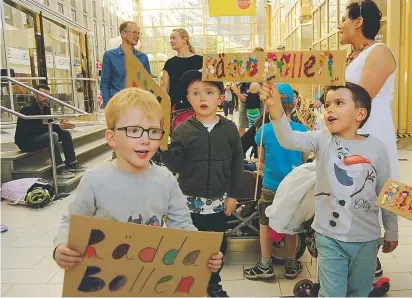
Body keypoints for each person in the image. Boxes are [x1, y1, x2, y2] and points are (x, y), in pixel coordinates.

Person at [53, 88, 224, 278]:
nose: (145, 140)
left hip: (148, 278)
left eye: (153, 131)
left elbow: (182, 226)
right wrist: (61, 246)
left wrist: (204, 252)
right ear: (111, 138)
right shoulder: (94, 180)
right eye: (134, 130)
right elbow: (72, 222)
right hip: (105, 280)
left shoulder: (165, 179)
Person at [260, 82, 399, 297]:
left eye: (339, 103)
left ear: (360, 113)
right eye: (327, 104)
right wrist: (276, 109)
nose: (329, 109)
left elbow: (385, 191)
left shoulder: (377, 148)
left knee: (359, 291)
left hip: (367, 238)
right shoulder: (322, 140)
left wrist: (392, 230)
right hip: (329, 236)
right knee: (331, 293)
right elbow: (289, 139)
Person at [160, 70, 243, 297]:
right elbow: (176, 166)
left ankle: (213, 283)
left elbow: (237, 163)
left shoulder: (229, 129)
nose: (202, 98)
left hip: (219, 202)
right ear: (188, 98)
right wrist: (164, 148)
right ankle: (189, 283)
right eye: (195, 93)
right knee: (189, 245)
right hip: (188, 203)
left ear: (220, 97)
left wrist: (234, 195)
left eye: (209, 92)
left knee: (217, 247)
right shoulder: (183, 129)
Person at [339, 0, 399, 275]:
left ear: (358, 22)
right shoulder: (352, 55)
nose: (339, 25)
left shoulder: (380, 51)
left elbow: (361, 99)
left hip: (371, 130)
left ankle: (370, 259)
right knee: (350, 193)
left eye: (343, 19)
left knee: (371, 190)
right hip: (352, 130)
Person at [244, 84, 309, 281]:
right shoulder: (301, 129)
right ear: (294, 104)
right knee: (291, 225)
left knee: (265, 223)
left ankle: (265, 264)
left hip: (271, 186)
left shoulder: (264, 130)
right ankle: (290, 264)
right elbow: (305, 159)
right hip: (293, 188)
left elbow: (261, 160)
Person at [14, 84, 84, 179]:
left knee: (65, 133)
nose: (46, 98)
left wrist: (59, 125)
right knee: (53, 135)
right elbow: (35, 129)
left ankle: (71, 163)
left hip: (37, 136)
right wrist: (58, 126)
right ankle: (59, 169)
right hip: (26, 141)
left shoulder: (45, 107)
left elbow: (49, 124)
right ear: (35, 95)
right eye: (43, 95)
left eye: (47, 96)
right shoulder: (28, 108)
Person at [100, 21, 150, 108]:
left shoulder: (143, 57)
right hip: (117, 105)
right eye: (134, 32)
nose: (137, 35)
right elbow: (105, 82)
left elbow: (148, 84)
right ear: (123, 34)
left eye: (138, 33)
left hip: (137, 105)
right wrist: (107, 104)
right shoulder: (109, 56)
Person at [162, 28, 203, 111]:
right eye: (170, 38)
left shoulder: (201, 60)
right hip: (176, 110)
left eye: (173, 38)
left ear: (184, 39)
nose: (171, 41)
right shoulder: (169, 63)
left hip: (198, 108)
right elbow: (165, 88)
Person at [232, 46, 265, 136]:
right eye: (256, 56)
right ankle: (241, 149)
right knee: (242, 127)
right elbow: (234, 86)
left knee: (261, 128)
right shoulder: (246, 72)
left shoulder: (264, 72)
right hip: (245, 104)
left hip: (260, 104)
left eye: (260, 57)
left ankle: (258, 149)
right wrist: (240, 96)